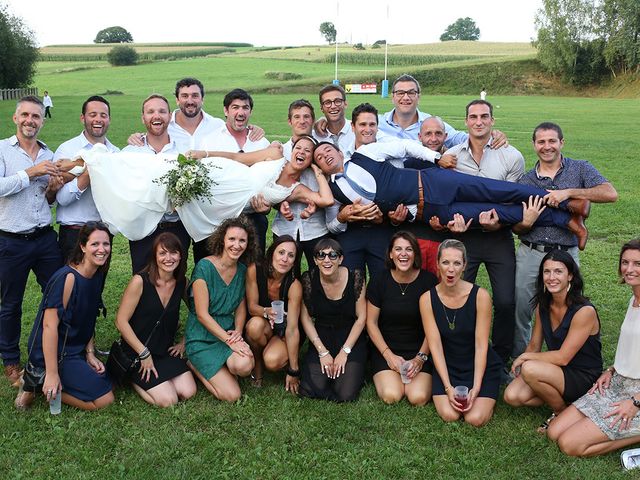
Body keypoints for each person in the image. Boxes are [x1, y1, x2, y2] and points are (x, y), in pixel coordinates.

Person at [312, 141, 591, 248]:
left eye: (327, 150)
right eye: (320, 158)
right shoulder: (334, 193)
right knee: (496, 213)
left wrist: (436, 158)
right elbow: (332, 225)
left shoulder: (364, 153)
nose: (325, 156)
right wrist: (344, 217)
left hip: (435, 182)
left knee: (500, 190)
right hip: (428, 213)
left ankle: (568, 202)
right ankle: (565, 221)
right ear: (321, 168)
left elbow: (406, 147)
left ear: (338, 151)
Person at [84, 136, 333, 246]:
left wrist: (318, 172)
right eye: (299, 147)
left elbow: (326, 199)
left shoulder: (296, 189)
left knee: (175, 198)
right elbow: (237, 157)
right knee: (160, 170)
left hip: (227, 207)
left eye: (308, 152)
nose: (301, 152)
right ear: (292, 150)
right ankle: (99, 164)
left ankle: (131, 207)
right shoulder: (275, 154)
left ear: (311, 159)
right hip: (225, 174)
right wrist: (205, 154)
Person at [511, 122, 618, 358]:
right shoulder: (525, 181)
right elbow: (517, 229)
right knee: (521, 308)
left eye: (552, 141)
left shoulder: (579, 169)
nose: (546, 146)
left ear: (562, 142)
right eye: (541, 142)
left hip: (566, 253)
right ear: (534, 145)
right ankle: (522, 361)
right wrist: (525, 223)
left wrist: (569, 192)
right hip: (531, 250)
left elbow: (610, 193)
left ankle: (564, 361)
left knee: (568, 307)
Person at [441, 100, 527, 372]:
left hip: (497, 238)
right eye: (473, 117)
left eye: (484, 117)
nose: (479, 122)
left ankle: (499, 358)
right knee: (455, 297)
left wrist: (497, 222)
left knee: (504, 300)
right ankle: (457, 351)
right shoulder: (452, 155)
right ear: (466, 121)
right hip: (463, 239)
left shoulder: (511, 156)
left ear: (492, 121)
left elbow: (514, 201)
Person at [547, 240, 640, 456]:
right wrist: (612, 369)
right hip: (618, 382)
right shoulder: (634, 299)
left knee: (570, 445)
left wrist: (635, 402)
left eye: (637, 263)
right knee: (554, 431)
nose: (629, 269)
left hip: (636, 394)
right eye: (625, 262)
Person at [15, 222, 114, 411]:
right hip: (55, 352)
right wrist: (52, 373)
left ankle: (39, 380)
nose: (102, 249)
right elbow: (49, 327)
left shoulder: (97, 274)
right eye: (95, 244)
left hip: (75, 349)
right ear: (83, 247)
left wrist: (90, 354)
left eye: (106, 244)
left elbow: (88, 317)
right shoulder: (67, 278)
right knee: (104, 400)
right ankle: (37, 382)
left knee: (107, 378)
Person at [1, 95, 64, 386]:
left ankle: (57, 351)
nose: (30, 121)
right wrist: (31, 172)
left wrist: (52, 189)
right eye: (25, 115)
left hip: (44, 238)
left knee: (56, 297)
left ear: (42, 120)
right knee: (10, 303)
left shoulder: (48, 154)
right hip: (11, 240)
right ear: (16, 118)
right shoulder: (3, 150)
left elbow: (46, 201)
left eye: (36, 116)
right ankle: (11, 361)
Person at [503, 250, 602, 432]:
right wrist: (527, 357)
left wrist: (525, 359)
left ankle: (560, 411)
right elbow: (534, 345)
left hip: (583, 375)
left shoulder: (584, 311)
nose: (551, 277)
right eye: (547, 272)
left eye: (558, 271)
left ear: (570, 275)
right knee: (512, 396)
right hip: (558, 369)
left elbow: (564, 357)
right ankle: (571, 402)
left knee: (530, 369)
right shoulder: (544, 304)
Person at [420, 239, 502, 426]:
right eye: (446, 262)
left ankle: (486, 394)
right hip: (447, 366)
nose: (451, 269)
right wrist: (448, 388)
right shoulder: (426, 299)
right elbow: (435, 345)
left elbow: (481, 345)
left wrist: (476, 386)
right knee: (450, 415)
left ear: (464, 266)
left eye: (457, 263)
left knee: (475, 419)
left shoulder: (481, 297)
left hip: (479, 365)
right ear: (437, 264)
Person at [114, 232, 196, 407]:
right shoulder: (140, 281)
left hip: (164, 350)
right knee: (169, 400)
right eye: (162, 253)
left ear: (180, 255)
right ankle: (133, 379)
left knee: (188, 392)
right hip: (137, 351)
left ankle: (157, 379)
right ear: (154, 256)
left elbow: (198, 312)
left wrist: (184, 341)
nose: (168, 258)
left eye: (173, 252)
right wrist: (143, 353)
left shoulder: (181, 283)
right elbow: (120, 321)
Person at [185, 216, 259, 402]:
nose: (237, 245)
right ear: (222, 240)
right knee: (232, 396)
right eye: (232, 239)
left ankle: (222, 367)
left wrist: (238, 333)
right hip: (202, 335)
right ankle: (193, 364)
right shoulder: (204, 267)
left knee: (244, 366)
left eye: (242, 240)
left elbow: (241, 306)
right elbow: (202, 315)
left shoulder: (242, 270)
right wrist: (230, 341)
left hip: (227, 331)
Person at [196, 88, 272, 260]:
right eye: (235, 107)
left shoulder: (260, 141)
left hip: (253, 216)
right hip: (219, 217)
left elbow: (269, 181)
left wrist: (265, 206)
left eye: (245, 108)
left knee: (253, 267)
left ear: (250, 111)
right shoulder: (210, 141)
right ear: (226, 111)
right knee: (214, 265)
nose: (240, 112)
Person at [122, 94, 192, 273]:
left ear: (169, 116)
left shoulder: (185, 150)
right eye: (150, 111)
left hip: (177, 227)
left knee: (175, 277)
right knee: (142, 277)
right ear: (143, 117)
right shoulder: (131, 152)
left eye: (162, 111)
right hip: (143, 229)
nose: (156, 116)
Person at [367, 231, 438, 405]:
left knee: (418, 397)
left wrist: (420, 358)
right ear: (391, 254)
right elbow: (371, 323)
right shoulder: (379, 280)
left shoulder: (429, 281)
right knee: (392, 395)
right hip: (387, 348)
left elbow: (434, 326)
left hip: (419, 349)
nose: (403, 254)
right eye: (398, 249)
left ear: (415, 254)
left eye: (409, 249)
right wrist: (388, 355)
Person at [299, 239, 367, 402]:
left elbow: (361, 318)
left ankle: (355, 373)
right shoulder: (308, 279)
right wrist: (322, 351)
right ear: (315, 260)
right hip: (322, 336)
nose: (327, 260)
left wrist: (345, 352)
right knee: (312, 387)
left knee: (345, 393)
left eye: (332, 255)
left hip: (350, 336)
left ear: (341, 259)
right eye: (321, 256)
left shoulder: (355, 277)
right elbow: (306, 318)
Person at [54, 95, 119, 262]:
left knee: (97, 286)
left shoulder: (116, 153)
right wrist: (89, 172)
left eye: (103, 115)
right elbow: (62, 198)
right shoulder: (66, 149)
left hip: (103, 234)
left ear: (109, 119)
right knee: (71, 285)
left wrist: (77, 166)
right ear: (83, 118)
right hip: (74, 233)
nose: (98, 119)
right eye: (92, 114)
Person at [128, 77, 264, 153]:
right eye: (184, 96)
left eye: (195, 96)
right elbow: (151, 135)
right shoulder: (164, 126)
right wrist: (137, 137)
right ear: (177, 100)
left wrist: (253, 129)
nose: (190, 101)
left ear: (202, 99)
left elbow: (237, 131)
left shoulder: (217, 125)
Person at [273, 99, 335, 266]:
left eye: (307, 117)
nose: (302, 121)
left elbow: (331, 190)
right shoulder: (279, 152)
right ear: (289, 121)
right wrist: (280, 205)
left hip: (317, 229)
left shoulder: (321, 151)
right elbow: (270, 189)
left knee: (319, 274)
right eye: (297, 117)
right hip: (284, 227)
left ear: (313, 120)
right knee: (285, 275)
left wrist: (316, 204)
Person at [377, 74, 507, 149]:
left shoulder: (431, 124)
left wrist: (492, 136)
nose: (406, 97)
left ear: (419, 97)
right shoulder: (377, 123)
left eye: (411, 92)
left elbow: (462, 139)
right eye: (400, 93)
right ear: (393, 97)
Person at [244, 235, 302, 392]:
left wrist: (293, 370)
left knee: (272, 361)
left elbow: (293, 329)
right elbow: (252, 307)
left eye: (291, 256)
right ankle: (257, 365)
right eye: (281, 252)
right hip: (263, 324)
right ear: (272, 254)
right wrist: (266, 311)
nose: (285, 259)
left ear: (295, 261)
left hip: (284, 330)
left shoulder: (294, 285)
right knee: (254, 326)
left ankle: (279, 356)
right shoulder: (254, 270)